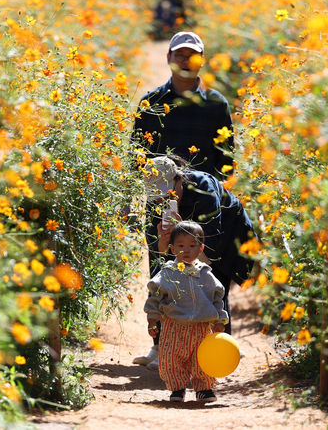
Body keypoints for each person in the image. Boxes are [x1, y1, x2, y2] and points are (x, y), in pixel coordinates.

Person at [133, 156, 256, 370]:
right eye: (159, 197)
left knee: (214, 287)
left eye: (169, 193)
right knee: (166, 284)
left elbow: (213, 236)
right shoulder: (155, 200)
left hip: (226, 239)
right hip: (187, 243)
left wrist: (182, 229)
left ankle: (220, 348)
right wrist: (164, 239)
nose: (163, 200)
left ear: (179, 180)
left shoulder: (204, 188)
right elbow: (157, 253)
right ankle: (162, 347)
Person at [143, 220, 228, 402]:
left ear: (201, 248)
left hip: (201, 327)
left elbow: (217, 297)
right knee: (171, 359)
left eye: (192, 245)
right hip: (174, 326)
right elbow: (155, 295)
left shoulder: (205, 273)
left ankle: (204, 388)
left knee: (201, 359)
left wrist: (220, 320)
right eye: (181, 245)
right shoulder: (167, 273)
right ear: (172, 249)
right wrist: (152, 319)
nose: (186, 250)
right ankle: (177, 388)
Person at [132, 31, 235, 180]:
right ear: (168, 58)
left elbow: (226, 158)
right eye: (180, 54)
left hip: (204, 193)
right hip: (158, 191)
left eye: (192, 55)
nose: (185, 61)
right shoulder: (151, 102)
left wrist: (221, 195)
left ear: (202, 60)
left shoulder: (217, 103)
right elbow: (137, 153)